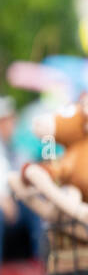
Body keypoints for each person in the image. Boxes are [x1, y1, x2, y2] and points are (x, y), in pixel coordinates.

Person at [0, 96, 45, 265]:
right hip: (3, 206)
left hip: (16, 204)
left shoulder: (18, 148)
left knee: (37, 208)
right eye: (6, 121)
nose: (10, 125)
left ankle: (39, 267)